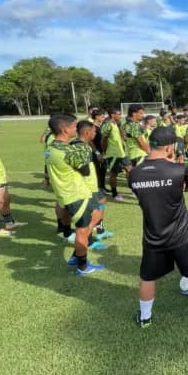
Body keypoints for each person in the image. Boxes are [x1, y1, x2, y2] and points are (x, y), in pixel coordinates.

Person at [129, 126, 188, 327]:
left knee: (147, 277)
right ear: (170, 146)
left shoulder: (134, 174)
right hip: (182, 235)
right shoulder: (179, 170)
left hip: (153, 234)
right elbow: (185, 188)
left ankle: (145, 317)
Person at [46, 113, 106, 275]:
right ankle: (82, 266)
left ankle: (75, 256)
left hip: (66, 193)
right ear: (65, 129)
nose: (75, 129)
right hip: (76, 194)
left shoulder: (51, 147)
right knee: (82, 230)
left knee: (94, 217)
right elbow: (85, 170)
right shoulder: (69, 150)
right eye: (74, 126)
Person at [74, 121, 113, 241]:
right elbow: (83, 170)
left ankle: (99, 230)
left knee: (102, 200)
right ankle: (87, 239)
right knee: (93, 215)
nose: (96, 133)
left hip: (92, 185)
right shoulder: (80, 147)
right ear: (86, 132)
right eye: (94, 131)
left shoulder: (85, 146)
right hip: (86, 187)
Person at [100, 108, 129, 200]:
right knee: (114, 174)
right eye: (118, 114)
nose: (120, 116)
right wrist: (105, 152)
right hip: (113, 154)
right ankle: (114, 193)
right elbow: (103, 140)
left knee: (130, 169)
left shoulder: (115, 124)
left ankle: (134, 189)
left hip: (121, 153)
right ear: (112, 115)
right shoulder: (108, 125)